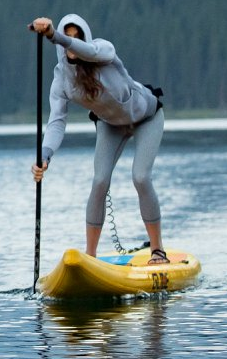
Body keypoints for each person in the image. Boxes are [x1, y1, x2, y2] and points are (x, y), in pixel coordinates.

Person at [28, 13, 169, 264]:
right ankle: (90, 257)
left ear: (84, 37)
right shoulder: (61, 79)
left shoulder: (103, 50)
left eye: (76, 36)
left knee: (140, 177)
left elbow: (88, 52)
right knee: (100, 181)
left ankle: (157, 250)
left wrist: (54, 36)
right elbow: (56, 122)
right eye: (67, 35)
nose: (71, 42)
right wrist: (44, 155)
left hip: (147, 117)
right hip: (110, 124)